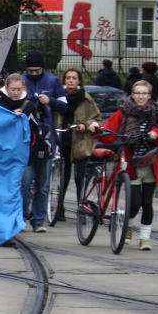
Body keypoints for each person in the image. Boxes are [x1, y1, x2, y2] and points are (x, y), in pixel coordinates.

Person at [92, 80, 158, 250]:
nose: (140, 96)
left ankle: (144, 239)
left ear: (150, 96)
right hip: (131, 164)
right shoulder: (124, 112)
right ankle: (127, 228)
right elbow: (110, 132)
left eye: (144, 93)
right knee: (135, 203)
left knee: (147, 203)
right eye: (137, 93)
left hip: (150, 162)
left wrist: (156, 133)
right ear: (132, 95)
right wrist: (97, 127)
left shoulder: (157, 113)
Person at [0, 74, 45, 230]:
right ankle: (3, 217)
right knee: (2, 186)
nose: (16, 93)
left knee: (24, 184)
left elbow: (34, 131)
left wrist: (34, 151)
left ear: (23, 89)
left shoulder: (28, 106)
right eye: (13, 89)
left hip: (22, 154)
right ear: (6, 88)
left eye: (18, 89)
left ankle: (21, 216)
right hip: (1, 153)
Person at [52, 69, 102, 222]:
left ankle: (82, 209)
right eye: (68, 78)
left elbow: (96, 118)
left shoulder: (86, 99)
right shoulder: (59, 97)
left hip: (80, 143)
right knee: (63, 177)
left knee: (80, 177)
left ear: (79, 81)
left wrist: (85, 125)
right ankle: (60, 208)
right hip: (63, 141)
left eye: (74, 78)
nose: (71, 81)